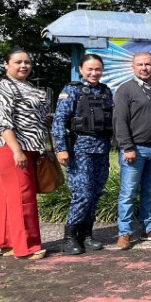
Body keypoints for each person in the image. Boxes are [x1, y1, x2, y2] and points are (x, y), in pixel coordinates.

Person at [0, 48, 50, 259]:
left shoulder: (29, 86)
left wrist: (46, 120)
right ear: (6, 64)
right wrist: (16, 151)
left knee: (9, 197)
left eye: (27, 62)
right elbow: (2, 123)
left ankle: (5, 242)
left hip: (29, 148)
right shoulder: (1, 89)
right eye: (18, 62)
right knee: (23, 196)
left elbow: (34, 115)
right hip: (10, 148)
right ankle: (27, 247)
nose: (24, 66)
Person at [52, 53, 113, 255]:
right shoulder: (72, 91)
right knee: (82, 195)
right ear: (81, 70)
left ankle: (86, 235)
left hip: (101, 150)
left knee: (95, 194)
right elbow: (59, 120)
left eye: (97, 69)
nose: (94, 73)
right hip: (79, 150)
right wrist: (61, 148)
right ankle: (69, 238)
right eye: (90, 69)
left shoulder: (106, 91)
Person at [113, 52, 151, 249]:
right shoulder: (125, 90)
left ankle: (149, 228)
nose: (144, 68)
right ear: (133, 67)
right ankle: (124, 233)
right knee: (128, 193)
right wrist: (127, 147)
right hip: (134, 150)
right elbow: (119, 122)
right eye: (140, 65)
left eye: (147, 64)